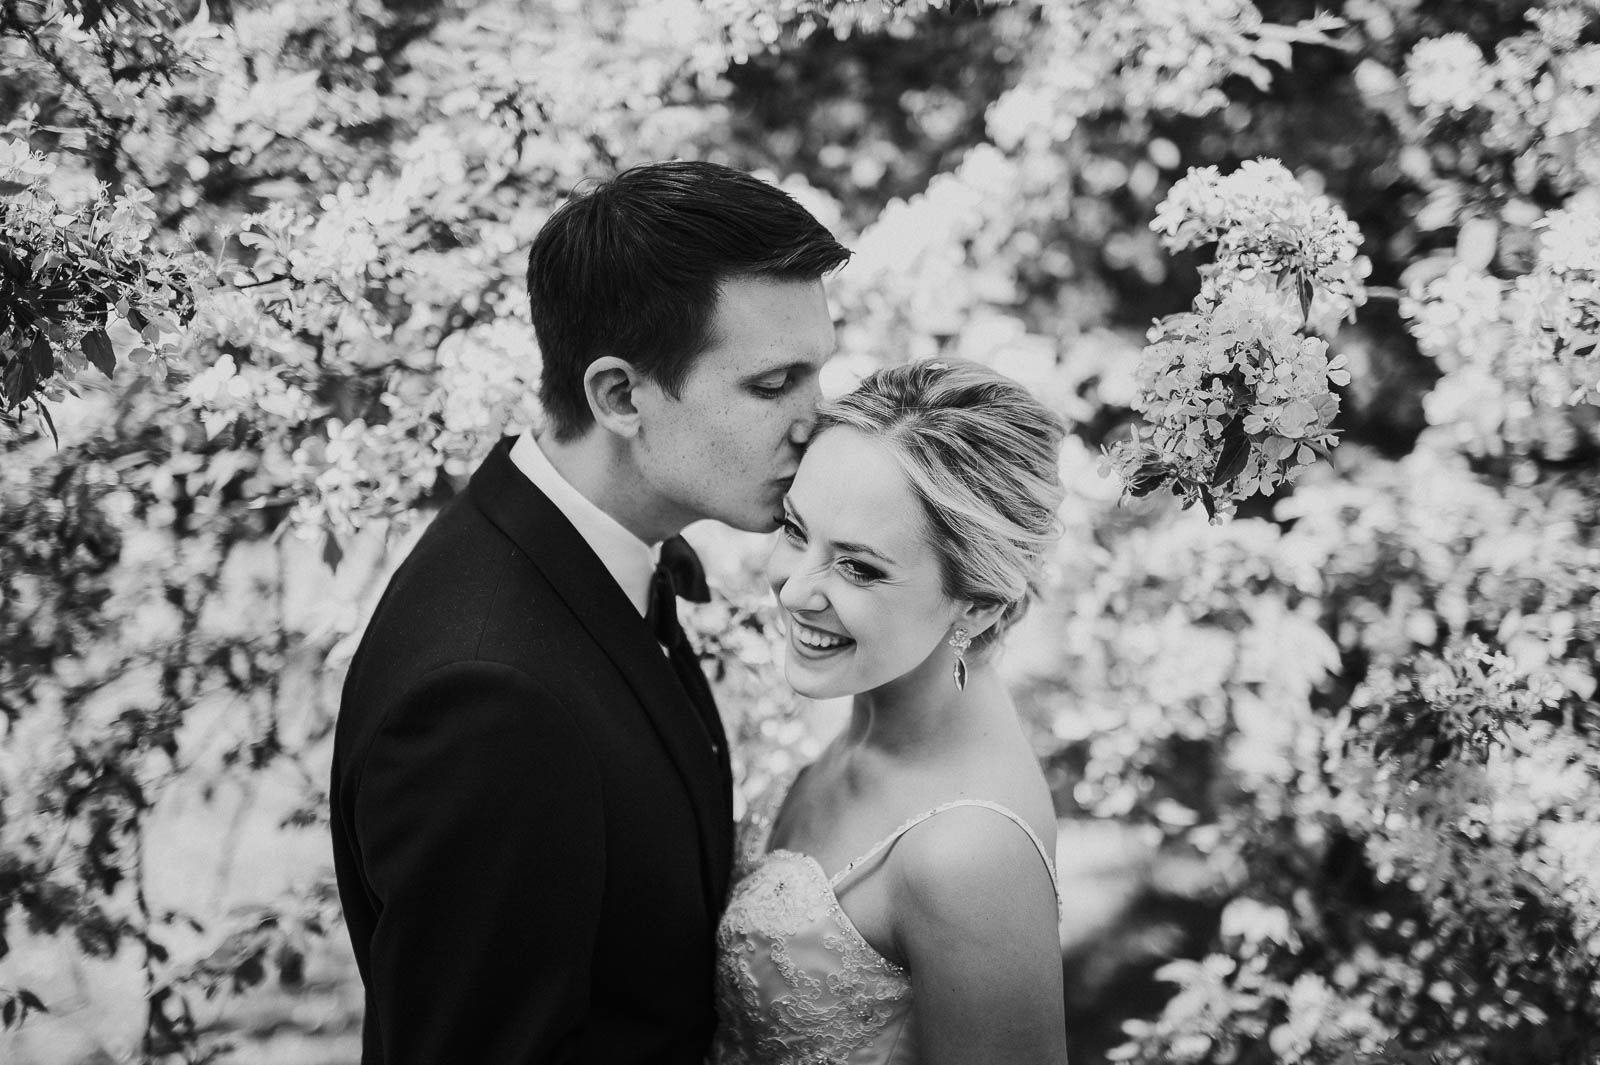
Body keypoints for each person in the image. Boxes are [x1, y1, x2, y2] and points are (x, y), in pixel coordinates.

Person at [330, 160, 850, 1065]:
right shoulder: (488, 699)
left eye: (818, 376)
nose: (820, 420)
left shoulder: (585, 553)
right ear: (619, 395)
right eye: (773, 386)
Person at [711, 358, 1072, 1065]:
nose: (792, 591)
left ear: (979, 601)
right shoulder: (859, 706)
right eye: (795, 529)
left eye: (860, 567)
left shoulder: (970, 855)